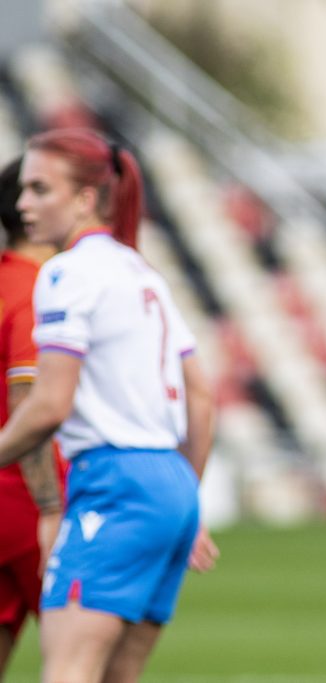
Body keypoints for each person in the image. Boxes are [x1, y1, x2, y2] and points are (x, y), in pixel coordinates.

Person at [0, 128, 216, 683]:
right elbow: (203, 395)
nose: (23, 204)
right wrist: (185, 494)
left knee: (69, 671)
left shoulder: (65, 273)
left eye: (39, 189)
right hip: (171, 484)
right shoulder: (141, 270)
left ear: (86, 198)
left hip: (112, 482)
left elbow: (49, 404)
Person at [0, 156, 63, 677]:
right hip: (26, 499)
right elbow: (31, 408)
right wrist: (50, 508)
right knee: (90, 663)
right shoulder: (41, 293)